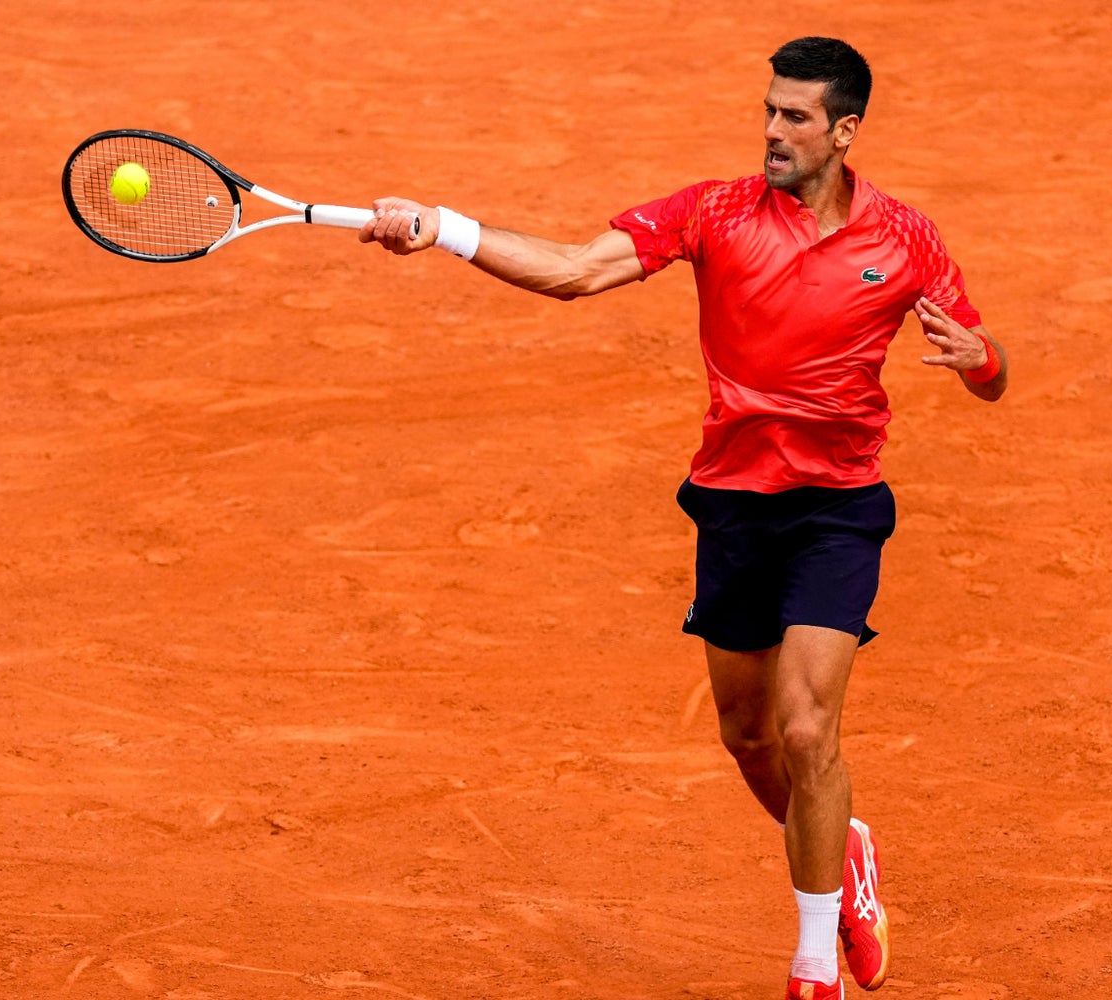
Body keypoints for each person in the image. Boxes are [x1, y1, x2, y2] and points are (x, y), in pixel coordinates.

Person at [357, 36, 1006, 1000]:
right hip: (734, 504)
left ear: (845, 131)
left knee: (804, 727)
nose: (773, 131)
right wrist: (445, 227)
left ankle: (815, 961)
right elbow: (577, 270)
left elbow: (990, 370)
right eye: (769, 110)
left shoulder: (906, 238)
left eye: (795, 116)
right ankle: (847, 846)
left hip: (838, 508)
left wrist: (980, 360)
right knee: (746, 737)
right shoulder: (714, 212)